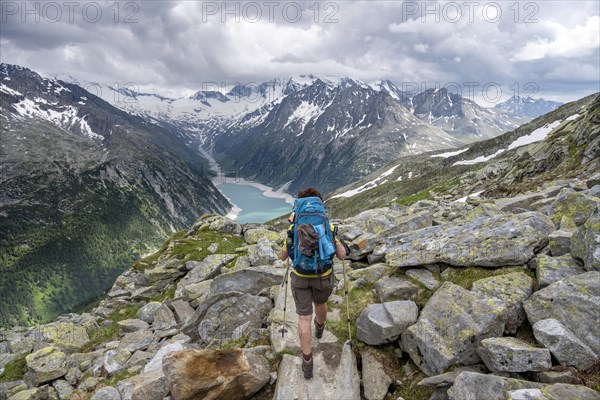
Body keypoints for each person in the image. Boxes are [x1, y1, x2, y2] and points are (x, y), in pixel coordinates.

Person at [280, 187, 348, 380]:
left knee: (303, 318)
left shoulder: (294, 228)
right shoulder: (328, 225)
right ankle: (320, 326)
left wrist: (288, 242)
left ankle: (307, 360)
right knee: (320, 303)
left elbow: (283, 256)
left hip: (300, 276)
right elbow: (342, 255)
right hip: (323, 275)